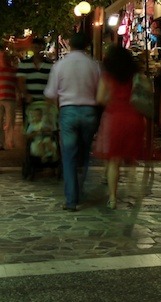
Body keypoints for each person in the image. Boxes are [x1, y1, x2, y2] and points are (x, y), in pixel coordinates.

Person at [44, 33, 101, 212]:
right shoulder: (94, 66)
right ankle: (79, 190)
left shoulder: (60, 65)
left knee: (68, 155)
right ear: (86, 45)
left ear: (69, 45)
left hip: (68, 112)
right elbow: (100, 91)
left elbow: (51, 94)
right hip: (89, 112)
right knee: (84, 155)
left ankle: (71, 199)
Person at [93, 45, 147, 210]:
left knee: (113, 160)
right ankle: (132, 190)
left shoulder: (107, 76)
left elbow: (100, 98)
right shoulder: (135, 75)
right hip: (134, 118)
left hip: (114, 118)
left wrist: (113, 101)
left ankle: (113, 198)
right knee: (130, 158)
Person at [17, 37, 53, 124]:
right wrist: (26, 95)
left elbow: (52, 82)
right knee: (29, 126)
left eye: (39, 47)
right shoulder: (24, 64)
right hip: (30, 101)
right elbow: (21, 81)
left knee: (45, 125)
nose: (37, 50)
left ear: (43, 48)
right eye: (35, 47)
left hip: (45, 101)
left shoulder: (49, 65)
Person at [0, 49, 17, 151]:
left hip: (10, 98)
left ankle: (9, 141)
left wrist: (19, 94)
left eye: (4, 57)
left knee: (10, 122)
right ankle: (1, 143)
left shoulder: (13, 70)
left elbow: (17, 84)